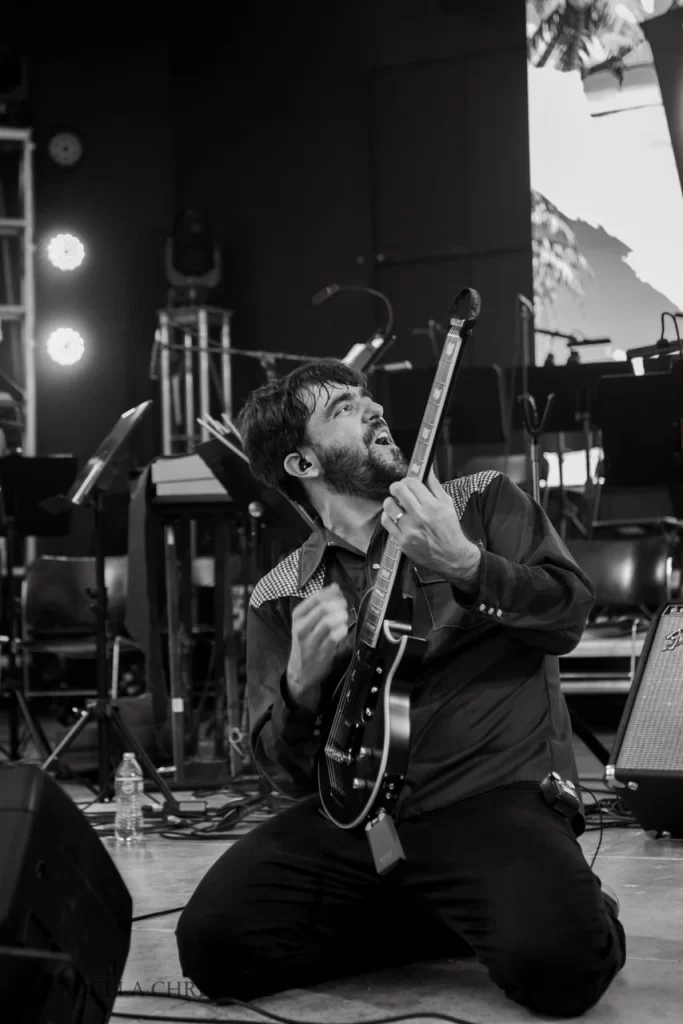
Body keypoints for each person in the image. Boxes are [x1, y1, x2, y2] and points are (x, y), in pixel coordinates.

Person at [176, 361, 626, 1017]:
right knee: (215, 948)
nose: (373, 408)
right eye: (342, 408)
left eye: (365, 396)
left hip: (491, 796)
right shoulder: (283, 592)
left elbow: (568, 614)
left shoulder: (479, 501)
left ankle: (535, 903)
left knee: (561, 969)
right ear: (302, 463)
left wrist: (466, 564)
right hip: (364, 821)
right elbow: (290, 775)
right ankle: (449, 913)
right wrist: (300, 684)